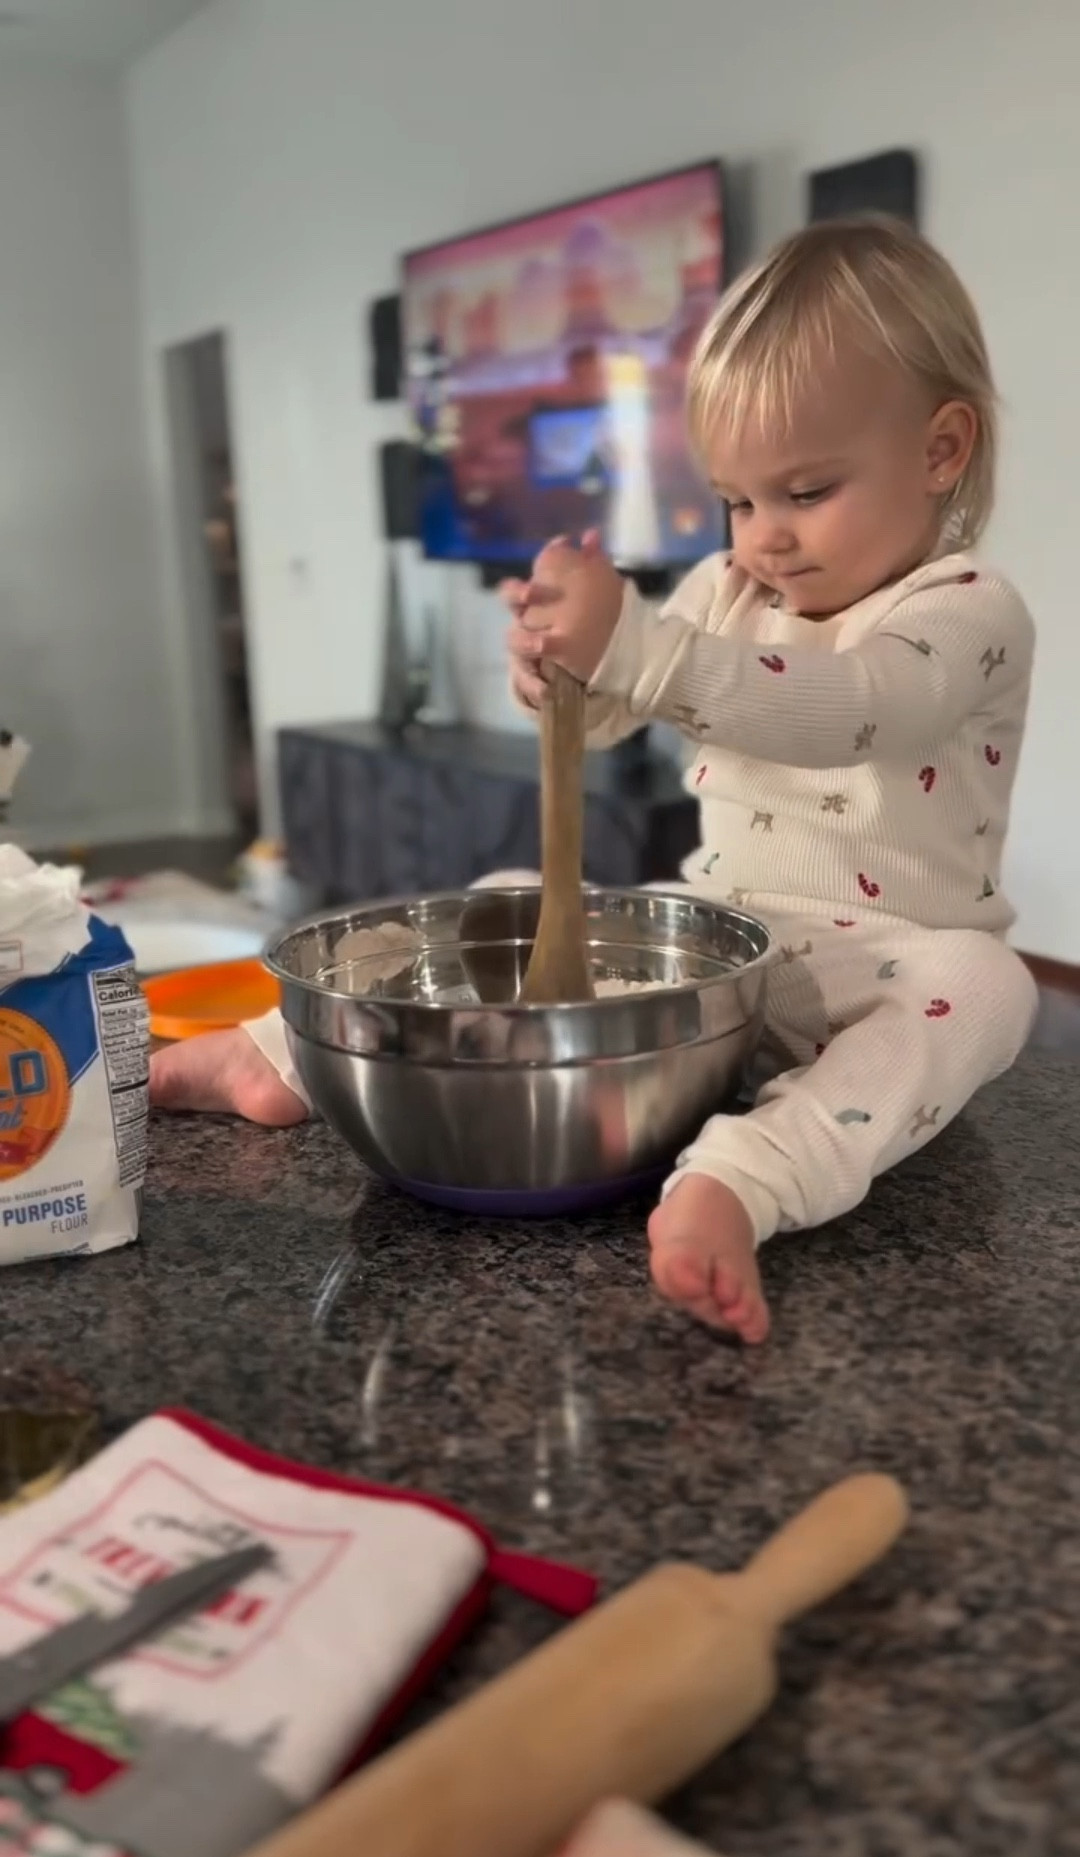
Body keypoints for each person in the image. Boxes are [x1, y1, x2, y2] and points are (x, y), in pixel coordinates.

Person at [152, 216, 1037, 1346]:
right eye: (738, 500)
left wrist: (641, 648)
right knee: (515, 892)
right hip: (728, 949)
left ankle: (749, 1175)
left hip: (883, 962)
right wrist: (561, 672)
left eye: (805, 492)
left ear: (941, 450)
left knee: (987, 984)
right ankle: (286, 1060)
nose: (764, 537)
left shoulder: (965, 612)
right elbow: (626, 710)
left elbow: (852, 710)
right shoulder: (728, 587)